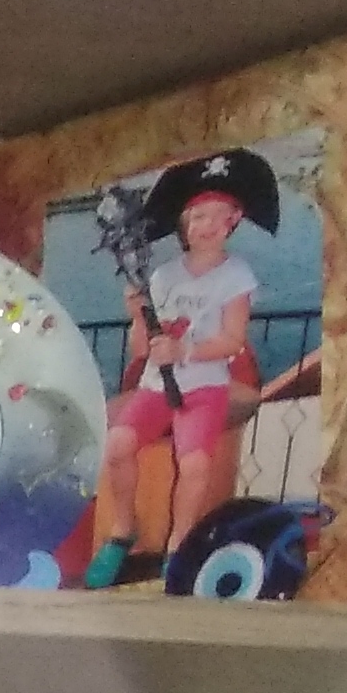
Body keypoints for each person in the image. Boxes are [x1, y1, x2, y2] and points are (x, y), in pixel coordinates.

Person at [87, 158, 264, 585]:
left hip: (204, 388)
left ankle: (178, 543)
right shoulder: (163, 276)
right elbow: (141, 349)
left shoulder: (237, 275)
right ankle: (122, 530)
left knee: (195, 464)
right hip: (154, 387)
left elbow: (232, 340)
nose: (207, 225)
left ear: (233, 221)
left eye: (218, 216)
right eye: (198, 216)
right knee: (118, 445)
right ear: (184, 223)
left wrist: (184, 350)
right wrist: (137, 316)